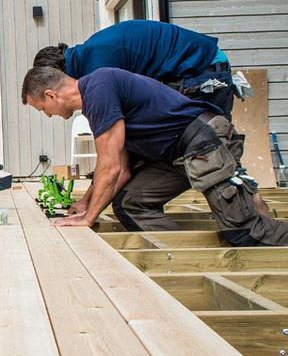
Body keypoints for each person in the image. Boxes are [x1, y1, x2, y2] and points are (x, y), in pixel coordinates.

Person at [20, 65, 288, 246]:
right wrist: (86, 205)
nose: (48, 115)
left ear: (51, 94)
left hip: (202, 141)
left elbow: (110, 166)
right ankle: (183, 259)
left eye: (42, 108)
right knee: (129, 204)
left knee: (245, 233)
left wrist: (89, 218)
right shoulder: (96, 99)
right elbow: (122, 170)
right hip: (174, 155)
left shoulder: (99, 89)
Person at [32, 20, 235, 117]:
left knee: (207, 155)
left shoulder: (98, 68)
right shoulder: (92, 54)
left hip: (202, 72)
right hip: (203, 67)